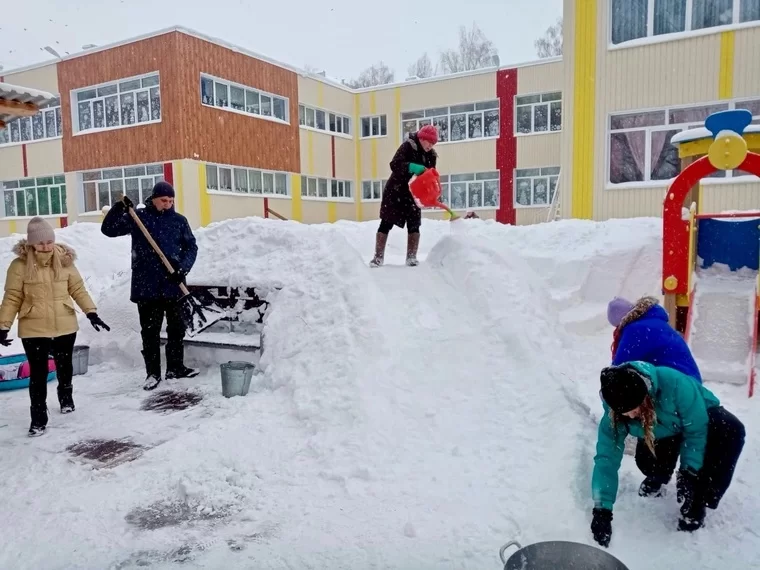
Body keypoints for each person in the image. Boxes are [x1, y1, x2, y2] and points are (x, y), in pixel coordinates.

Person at [591, 361, 745, 547]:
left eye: (633, 410)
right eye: (624, 413)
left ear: (645, 397)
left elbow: (696, 431)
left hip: (701, 420)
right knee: (649, 464)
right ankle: (658, 476)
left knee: (729, 430)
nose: (630, 416)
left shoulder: (675, 384)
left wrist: (689, 471)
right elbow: (606, 458)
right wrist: (602, 510)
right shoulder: (614, 412)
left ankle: (697, 502)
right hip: (661, 429)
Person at [0, 217, 110, 436]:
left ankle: (66, 396)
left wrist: (91, 312)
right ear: (31, 243)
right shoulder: (19, 266)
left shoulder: (65, 261)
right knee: (38, 374)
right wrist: (3, 326)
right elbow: (12, 297)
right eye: (40, 243)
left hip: (64, 324)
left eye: (49, 241)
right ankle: (38, 419)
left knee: (64, 365)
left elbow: (78, 289)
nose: (46, 246)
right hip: (33, 326)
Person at [101, 182, 199, 391]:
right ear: (154, 198)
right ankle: (152, 374)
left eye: (171, 201)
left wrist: (182, 269)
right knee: (150, 332)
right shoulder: (139, 218)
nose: (168, 204)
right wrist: (120, 208)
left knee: (176, 330)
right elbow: (108, 230)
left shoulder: (179, 221)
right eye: (164, 200)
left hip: (174, 284)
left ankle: (175, 367)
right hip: (147, 287)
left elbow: (191, 246)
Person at [370, 124, 439, 268]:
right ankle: (378, 258)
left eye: (433, 143)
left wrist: (431, 190)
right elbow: (395, 164)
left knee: (414, 224)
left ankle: (411, 257)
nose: (431, 146)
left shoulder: (431, 155)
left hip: (414, 194)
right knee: (386, 222)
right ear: (422, 138)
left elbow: (431, 175)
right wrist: (411, 167)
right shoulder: (408, 146)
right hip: (396, 191)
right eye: (429, 142)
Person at [607, 295, 702, 382]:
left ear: (621, 322)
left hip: (680, 386)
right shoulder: (652, 321)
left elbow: (618, 367)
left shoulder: (636, 329)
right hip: (689, 383)